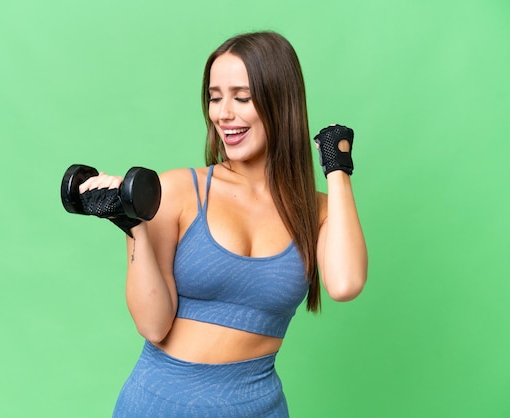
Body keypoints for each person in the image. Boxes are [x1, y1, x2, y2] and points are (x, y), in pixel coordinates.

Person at [78, 31, 368, 417]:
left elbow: (346, 285)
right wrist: (132, 225)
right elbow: (153, 325)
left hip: (257, 408)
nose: (223, 113)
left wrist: (337, 167)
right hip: (160, 406)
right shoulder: (179, 190)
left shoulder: (317, 212)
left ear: (281, 102)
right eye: (215, 97)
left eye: (241, 98)